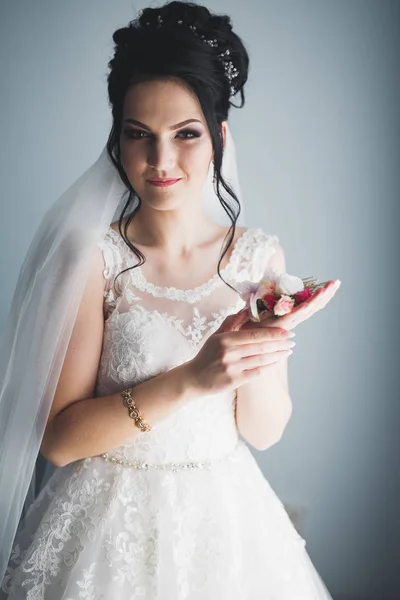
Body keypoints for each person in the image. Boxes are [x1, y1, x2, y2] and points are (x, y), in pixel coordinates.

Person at [0, 1, 340, 598]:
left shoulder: (257, 260)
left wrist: (259, 337)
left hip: (223, 523)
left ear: (218, 137)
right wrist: (192, 378)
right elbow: (58, 439)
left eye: (186, 134)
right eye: (139, 135)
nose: (160, 162)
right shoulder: (93, 259)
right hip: (102, 525)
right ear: (118, 138)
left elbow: (264, 432)